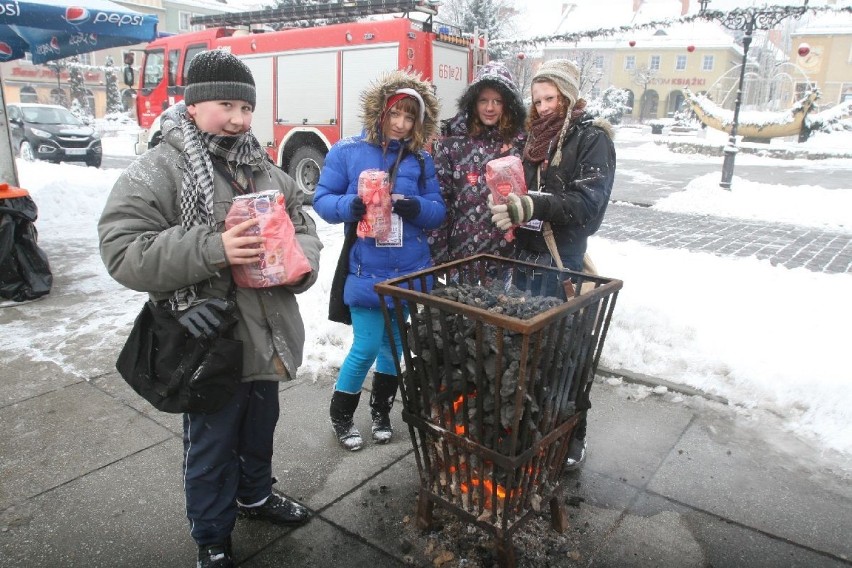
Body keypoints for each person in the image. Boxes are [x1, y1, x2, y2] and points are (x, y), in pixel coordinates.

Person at [98, 50, 322, 568]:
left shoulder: (260, 165)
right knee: (211, 443)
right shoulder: (162, 167)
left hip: (266, 333)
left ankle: (256, 496)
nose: (240, 120)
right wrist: (213, 249)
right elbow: (121, 249)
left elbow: (304, 226)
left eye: (247, 108)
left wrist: (298, 262)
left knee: (259, 426)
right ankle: (212, 535)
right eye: (227, 105)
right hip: (208, 338)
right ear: (194, 105)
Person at [489, 59, 616, 471]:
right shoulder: (531, 139)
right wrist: (509, 211)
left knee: (567, 355)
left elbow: (589, 207)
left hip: (564, 262)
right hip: (525, 259)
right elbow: (522, 193)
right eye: (538, 99)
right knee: (528, 355)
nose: (543, 107)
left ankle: (572, 436)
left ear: (569, 94)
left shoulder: (591, 138)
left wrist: (535, 204)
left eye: (551, 98)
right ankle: (533, 430)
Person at [313, 70, 445, 452]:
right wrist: (348, 206)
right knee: (366, 345)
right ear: (380, 112)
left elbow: (438, 211)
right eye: (395, 114)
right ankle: (341, 415)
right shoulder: (348, 151)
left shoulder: (420, 159)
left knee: (394, 347)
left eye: (410, 117)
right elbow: (322, 198)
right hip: (366, 268)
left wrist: (416, 206)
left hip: (410, 268)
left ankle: (381, 410)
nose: (402, 124)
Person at [428, 61, 527, 265]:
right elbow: (440, 203)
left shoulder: (521, 144)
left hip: (509, 257)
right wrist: (439, 259)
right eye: (483, 100)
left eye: (497, 101)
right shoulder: (452, 145)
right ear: (473, 102)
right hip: (462, 258)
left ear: (508, 104)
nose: (489, 108)